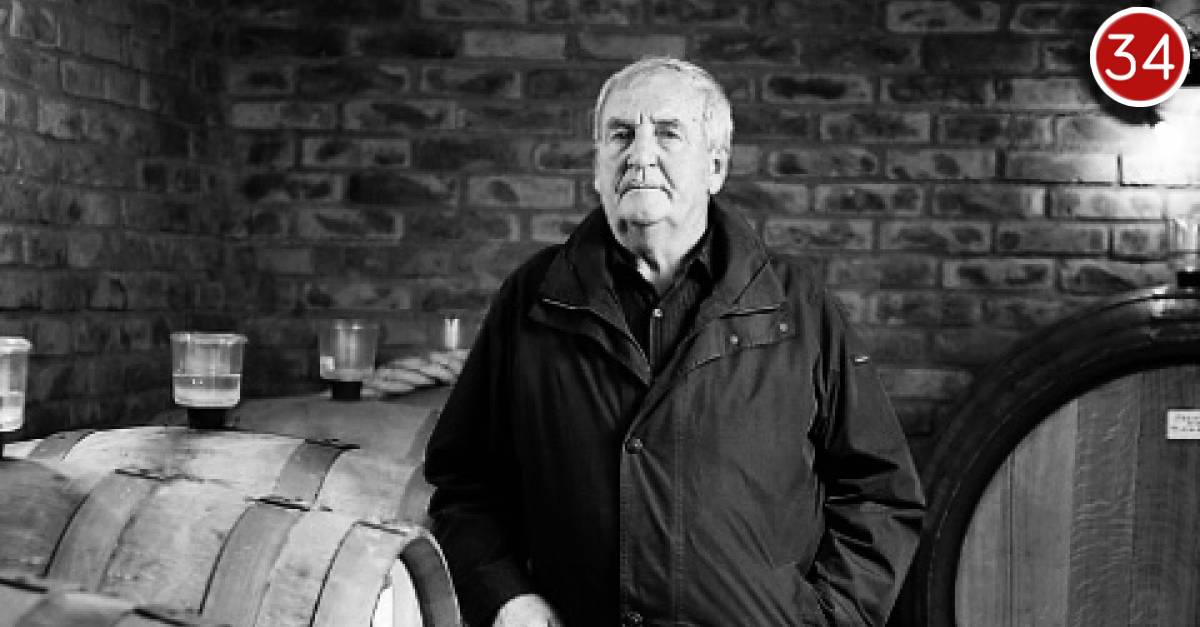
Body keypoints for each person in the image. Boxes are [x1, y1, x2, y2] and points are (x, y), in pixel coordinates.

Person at [424, 57, 925, 627]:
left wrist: (830, 620)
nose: (640, 155)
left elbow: (880, 494)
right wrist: (507, 598)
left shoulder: (798, 306)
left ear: (715, 165)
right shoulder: (532, 299)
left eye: (667, 133)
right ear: (597, 167)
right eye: (620, 135)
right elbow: (465, 483)